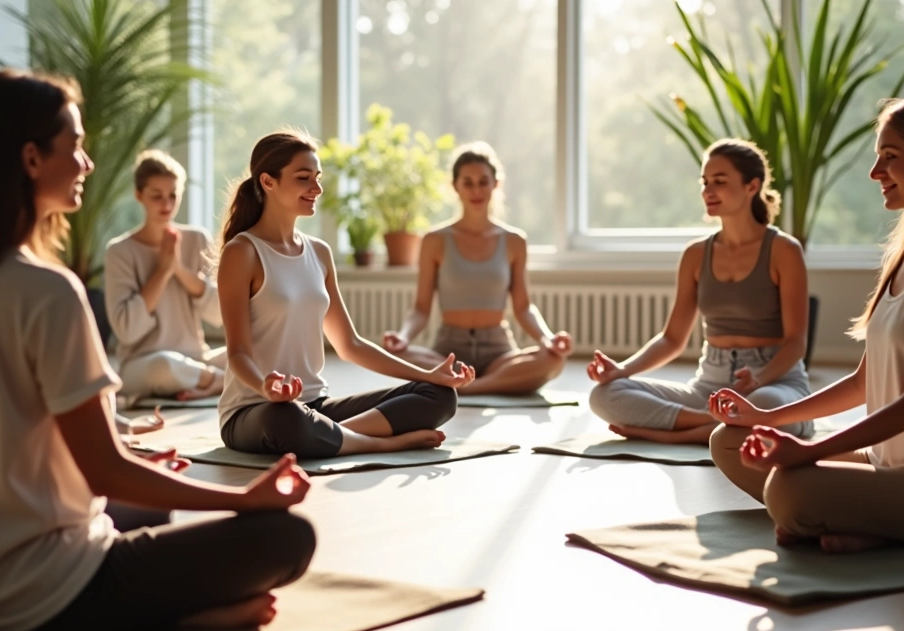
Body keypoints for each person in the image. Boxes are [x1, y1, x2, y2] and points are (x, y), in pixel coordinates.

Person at [0, 70, 315, 631]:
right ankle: (174, 619)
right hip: (45, 595)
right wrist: (245, 497)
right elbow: (104, 470)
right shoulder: (46, 290)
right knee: (286, 536)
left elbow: (10, 443)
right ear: (32, 159)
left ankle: (174, 608)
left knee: (153, 506)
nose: (87, 162)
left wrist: (139, 468)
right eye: (76, 145)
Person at [708, 93, 904, 553]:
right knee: (732, 441)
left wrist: (809, 452)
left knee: (788, 489)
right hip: (889, 468)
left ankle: (848, 520)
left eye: (890, 158)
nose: (876, 173)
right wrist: (767, 417)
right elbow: (865, 380)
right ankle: (856, 523)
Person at [216, 130, 475, 459]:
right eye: (303, 178)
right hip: (257, 410)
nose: (317, 188)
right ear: (268, 182)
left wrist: (426, 374)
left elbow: (349, 345)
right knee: (288, 419)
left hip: (314, 407)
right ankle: (381, 443)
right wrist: (267, 387)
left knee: (440, 396)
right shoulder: (243, 252)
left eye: (318, 177)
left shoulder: (319, 253)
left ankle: (332, 436)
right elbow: (238, 354)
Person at [587, 139, 812, 444]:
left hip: (774, 381)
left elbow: (796, 342)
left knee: (769, 407)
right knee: (604, 395)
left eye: (720, 181)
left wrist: (759, 378)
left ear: (752, 186)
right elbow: (672, 339)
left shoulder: (784, 250)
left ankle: (676, 435)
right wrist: (621, 370)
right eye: (705, 182)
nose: (708, 190)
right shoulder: (695, 254)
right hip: (710, 386)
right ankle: (714, 423)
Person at [382, 142, 573, 395]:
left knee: (553, 359)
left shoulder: (514, 241)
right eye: (468, 182)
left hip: (498, 353)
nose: (476, 190)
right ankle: (484, 384)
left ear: (496, 184)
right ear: (455, 186)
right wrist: (403, 337)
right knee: (391, 354)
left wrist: (548, 339)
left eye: (483, 181)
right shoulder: (434, 240)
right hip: (447, 352)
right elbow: (420, 309)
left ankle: (467, 388)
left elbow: (524, 307)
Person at [104, 150, 225, 402]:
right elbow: (126, 330)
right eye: (157, 196)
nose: (167, 205)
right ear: (139, 195)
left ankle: (206, 379)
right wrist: (162, 270)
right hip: (144, 365)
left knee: (260, 350)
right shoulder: (119, 251)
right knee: (164, 367)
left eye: (173, 196)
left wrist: (178, 268)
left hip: (196, 358)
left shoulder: (196, 238)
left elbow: (218, 314)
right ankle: (219, 381)